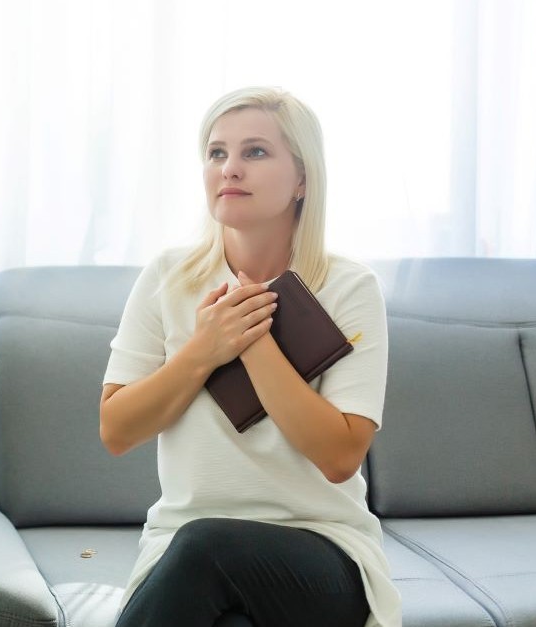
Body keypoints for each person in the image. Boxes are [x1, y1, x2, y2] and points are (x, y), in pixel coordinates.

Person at [100, 86, 400, 627]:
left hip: (321, 550)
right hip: (179, 549)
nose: (229, 169)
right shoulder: (168, 277)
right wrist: (202, 352)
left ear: (303, 178)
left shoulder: (350, 287)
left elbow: (339, 457)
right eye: (217, 153)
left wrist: (254, 340)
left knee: (205, 547)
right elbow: (116, 429)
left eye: (255, 152)